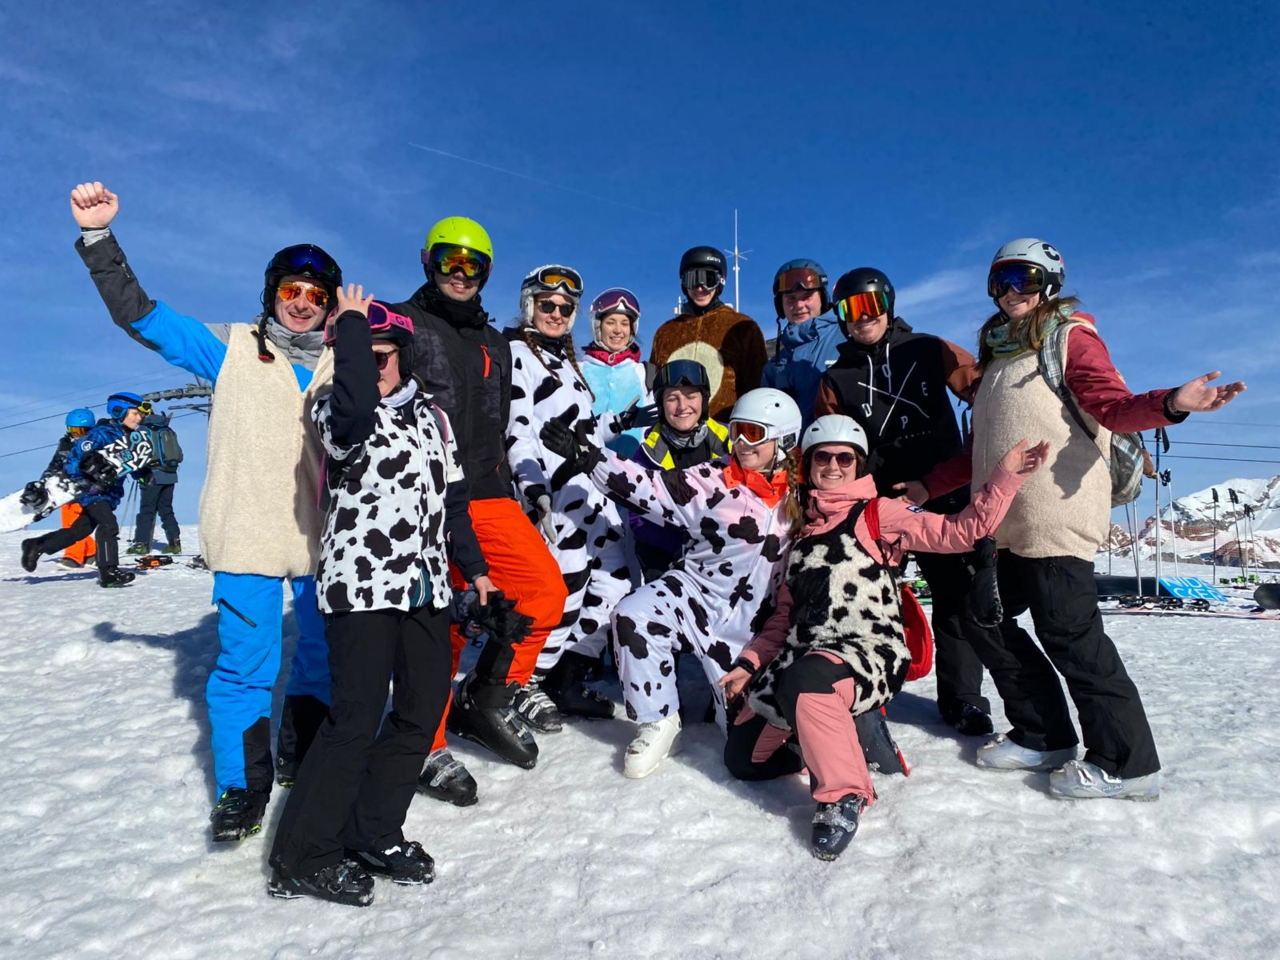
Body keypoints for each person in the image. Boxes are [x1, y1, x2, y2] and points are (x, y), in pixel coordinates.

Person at [67, 181, 338, 841]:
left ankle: (301, 752)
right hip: (246, 534)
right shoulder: (230, 347)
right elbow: (143, 317)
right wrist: (99, 239)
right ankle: (242, 790)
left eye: (316, 295)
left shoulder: (344, 362)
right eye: (291, 290)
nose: (302, 303)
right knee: (246, 669)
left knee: (322, 657)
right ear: (272, 293)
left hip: (325, 542)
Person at [933, 238, 1246, 800]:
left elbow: (1113, 408)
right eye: (1000, 280)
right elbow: (976, 449)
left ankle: (1128, 765)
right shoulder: (997, 358)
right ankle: (1042, 735)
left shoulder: (1069, 337)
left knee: (1069, 635)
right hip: (1000, 521)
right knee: (981, 616)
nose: (1010, 291)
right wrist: (924, 486)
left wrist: (1172, 403)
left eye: (1024, 278)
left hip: (1055, 512)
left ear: (1049, 283)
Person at [718, 416, 1046, 860]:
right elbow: (782, 619)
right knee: (743, 761)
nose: (833, 466)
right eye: (822, 457)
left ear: (858, 464)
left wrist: (1004, 479)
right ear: (808, 464)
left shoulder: (878, 514)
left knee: (807, 681)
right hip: (802, 657)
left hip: (867, 650)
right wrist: (749, 664)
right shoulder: (802, 535)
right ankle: (827, 738)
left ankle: (844, 794)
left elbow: (959, 532)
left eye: (844, 458)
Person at [268, 288, 494, 907]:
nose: (375, 366)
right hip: (360, 586)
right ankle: (303, 856)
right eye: (362, 356)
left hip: (425, 587)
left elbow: (453, 503)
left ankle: (373, 831)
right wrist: (347, 330)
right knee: (354, 719)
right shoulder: (333, 406)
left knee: (420, 713)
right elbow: (350, 423)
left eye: (384, 355)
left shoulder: (434, 418)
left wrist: (475, 571)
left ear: (404, 356)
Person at [381, 221, 568, 802]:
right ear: (427, 260)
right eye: (448, 261)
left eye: (473, 265)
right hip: (422, 494)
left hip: (486, 491)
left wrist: (518, 487)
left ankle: (487, 696)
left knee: (544, 592)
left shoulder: (494, 342)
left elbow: (501, 422)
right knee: (445, 626)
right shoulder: (402, 322)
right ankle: (426, 740)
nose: (460, 274)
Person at [541, 388, 802, 779]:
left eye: (753, 433)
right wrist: (590, 458)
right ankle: (659, 719)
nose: (741, 443)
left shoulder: (804, 499)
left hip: (751, 630)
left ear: (784, 440)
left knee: (741, 737)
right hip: (693, 595)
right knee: (633, 614)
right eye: (736, 431)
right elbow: (649, 487)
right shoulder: (712, 479)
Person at [814, 267, 997, 736]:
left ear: (889, 305)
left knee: (955, 596)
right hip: (878, 503)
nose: (863, 317)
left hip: (941, 490)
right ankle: (867, 695)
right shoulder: (837, 377)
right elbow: (828, 442)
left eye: (871, 305)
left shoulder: (927, 349)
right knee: (870, 600)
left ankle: (963, 699)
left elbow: (985, 390)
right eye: (850, 309)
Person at [503, 265, 636, 727]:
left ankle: (565, 675)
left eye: (565, 308)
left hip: (591, 493)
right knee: (566, 588)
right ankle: (525, 681)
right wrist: (533, 489)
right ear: (530, 306)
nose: (557, 313)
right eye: (547, 305)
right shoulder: (519, 353)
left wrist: (620, 422)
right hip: (556, 498)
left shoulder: (564, 359)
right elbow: (519, 431)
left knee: (615, 584)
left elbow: (583, 430)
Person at [20, 393, 146, 587]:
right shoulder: (102, 434)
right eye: (135, 413)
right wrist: (88, 468)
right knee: (108, 525)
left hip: (109, 493)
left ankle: (36, 545)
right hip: (92, 491)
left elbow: (128, 463)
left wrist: (143, 474)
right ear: (119, 412)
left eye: (141, 415)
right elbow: (73, 460)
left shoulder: (129, 438)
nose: (139, 418)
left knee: (79, 531)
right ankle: (108, 572)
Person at [630, 359, 732, 582]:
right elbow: (638, 516)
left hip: (723, 552)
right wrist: (682, 547)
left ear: (704, 399)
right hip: (667, 554)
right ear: (661, 405)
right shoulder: (647, 454)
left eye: (691, 396)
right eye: (672, 398)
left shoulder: (730, 444)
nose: (682, 406)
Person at [649, 246, 767, 423]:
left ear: (721, 281)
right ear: (683, 283)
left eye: (708, 279)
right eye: (692, 279)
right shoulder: (665, 333)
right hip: (675, 430)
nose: (700, 288)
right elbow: (655, 387)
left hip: (724, 431)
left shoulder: (742, 327)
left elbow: (756, 388)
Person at [761, 259, 843, 426]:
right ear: (780, 306)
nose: (799, 305)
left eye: (807, 297)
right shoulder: (774, 366)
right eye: (790, 299)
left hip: (840, 441)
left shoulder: (847, 337)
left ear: (823, 298)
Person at [580, 287, 652, 459]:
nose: (618, 330)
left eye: (625, 323)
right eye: (611, 322)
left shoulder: (645, 374)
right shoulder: (577, 371)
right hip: (586, 470)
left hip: (633, 471)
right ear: (598, 325)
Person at [45, 408, 98, 570]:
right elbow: (56, 463)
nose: (75, 434)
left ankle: (73, 556)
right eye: (72, 430)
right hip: (66, 487)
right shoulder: (65, 443)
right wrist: (46, 479)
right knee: (69, 521)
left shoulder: (94, 443)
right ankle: (91, 552)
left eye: (79, 431)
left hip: (85, 488)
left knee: (73, 523)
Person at [126, 409, 182, 555]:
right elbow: (179, 454)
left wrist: (136, 473)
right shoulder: (167, 430)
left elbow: (136, 454)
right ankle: (175, 543)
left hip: (151, 474)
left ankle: (141, 544)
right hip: (170, 474)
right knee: (166, 509)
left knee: (147, 510)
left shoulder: (143, 430)